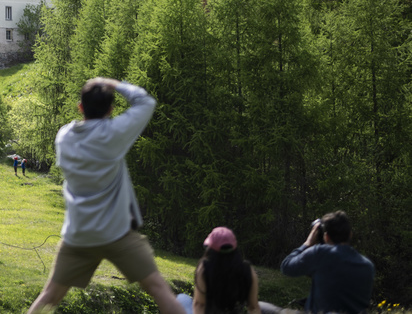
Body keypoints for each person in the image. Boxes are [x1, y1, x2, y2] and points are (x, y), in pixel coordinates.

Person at [26, 78, 184, 314]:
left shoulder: (64, 137)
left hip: (79, 234)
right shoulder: (114, 135)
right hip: (117, 232)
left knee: (50, 295)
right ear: (111, 110)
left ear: (81, 107)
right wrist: (115, 84)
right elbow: (145, 101)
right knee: (158, 288)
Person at [279, 211, 374, 314]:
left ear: (326, 236)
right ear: (350, 235)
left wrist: (307, 243)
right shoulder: (367, 265)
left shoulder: (320, 253)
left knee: (263, 307)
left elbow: (286, 266)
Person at [175, 227, 261, 314]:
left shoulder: (204, 268)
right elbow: (253, 307)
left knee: (182, 298)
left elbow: (199, 304)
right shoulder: (247, 270)